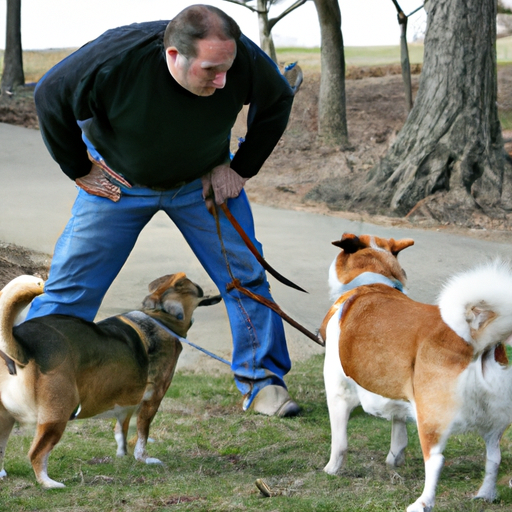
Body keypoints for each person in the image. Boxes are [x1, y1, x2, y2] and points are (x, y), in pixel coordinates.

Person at [27, 4, 299, 417]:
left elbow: (278, 98)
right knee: (71, 288)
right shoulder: (116, 57)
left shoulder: (238, 57)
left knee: (245, 277)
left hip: (202, 184)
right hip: (118, 185)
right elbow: (50, 94)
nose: (223, 80)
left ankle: (262, 382)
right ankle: (33, 383)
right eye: (211, 70)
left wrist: (240, 169)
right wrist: (79, 167)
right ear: (174, 56)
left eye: (228, 67)